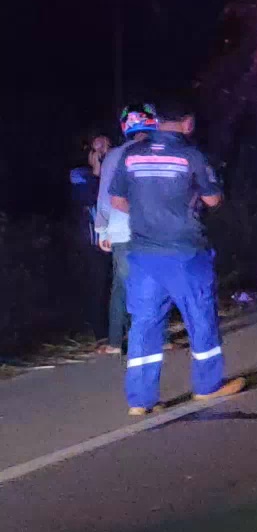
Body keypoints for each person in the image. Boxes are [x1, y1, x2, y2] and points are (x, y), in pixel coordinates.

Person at [107, 95, 245, 416]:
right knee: (200, 317)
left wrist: (147, 218)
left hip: (143, 253)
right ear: (187, 122)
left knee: (144, 324)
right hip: (185, 252)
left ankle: (141, 400)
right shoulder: (190, 155)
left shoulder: (132, 154)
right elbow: (212, 200)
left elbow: (117, 201)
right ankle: (207, 386)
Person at [93, 106, 158, 354]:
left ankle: (114, 341)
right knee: (156, 282)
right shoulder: (156, 151)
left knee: (122, 286)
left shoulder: (113, 157)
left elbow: (104, 195)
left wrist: (103, 231)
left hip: (120, 229)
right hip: (152, 229)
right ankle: (156, 338)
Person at [71, 133, 111, 347]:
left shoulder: (115, 171)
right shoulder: (79, 174)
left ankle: (120, 329)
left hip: (117, 239)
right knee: (98, 286)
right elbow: (87, 197)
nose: (102, 153)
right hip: (93, 241)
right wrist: (96, 171)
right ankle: (101, 334)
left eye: (106, 148)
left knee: (118, 285)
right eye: (98, 148)